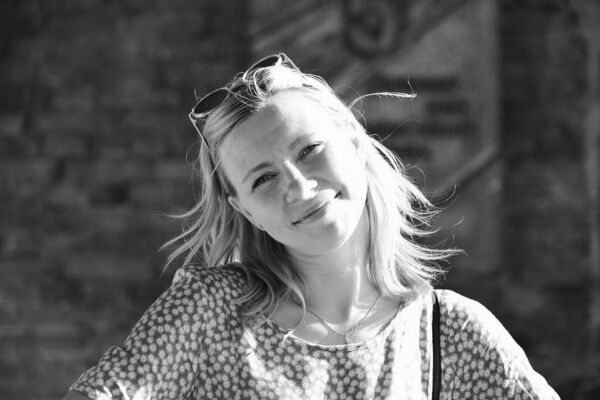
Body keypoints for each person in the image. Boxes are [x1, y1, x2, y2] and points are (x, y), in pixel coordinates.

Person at [64, 53, 559, 399]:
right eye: (263, 179)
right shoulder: (210, 312)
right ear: (245, 210)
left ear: (354, 142)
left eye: (309, 151)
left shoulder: (452, 333)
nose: (299, 187)